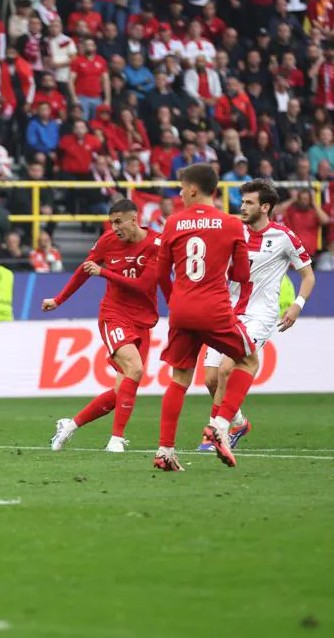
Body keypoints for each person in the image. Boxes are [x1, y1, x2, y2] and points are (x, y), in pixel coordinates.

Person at [198, 181, 316, 451]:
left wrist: (297, 304)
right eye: (243, 202)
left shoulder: (283, 236)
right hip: (226, 312)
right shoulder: (233, 230)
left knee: (230, 367)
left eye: (249, 203)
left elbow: (308, 275)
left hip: (259, 315)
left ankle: (216, 430)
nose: (242, 206)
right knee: (211, 379)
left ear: (265, 207)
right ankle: (238, 422)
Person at [44, 199, 169, 453]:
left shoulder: (156, 243)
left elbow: (145, 286)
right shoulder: (107, 242)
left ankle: (69, 425)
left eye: (119, 222)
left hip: (143, 319)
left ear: (134, 219)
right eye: (111, 223)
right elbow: (83, 270)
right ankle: (116, 440)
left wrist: (105, 274)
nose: (114, 228)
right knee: (134, 369)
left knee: (121, 390)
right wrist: (59, 299)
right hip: (114, 315)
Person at [154, 163, 255, 472]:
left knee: (179, 379)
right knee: (250, 360)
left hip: (181, 309)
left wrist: (176, 301)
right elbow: (241, 274)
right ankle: (221, 424)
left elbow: (160, 274)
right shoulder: (232, 224)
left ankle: (165, 452)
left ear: (194, 189)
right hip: (214, 308)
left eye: (182, 187)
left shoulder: (172, 223)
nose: (181, 193)